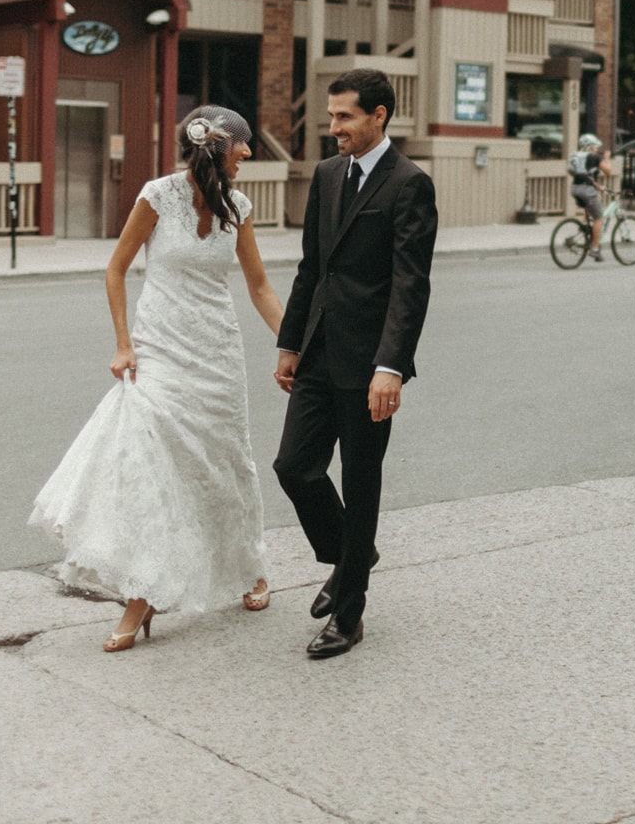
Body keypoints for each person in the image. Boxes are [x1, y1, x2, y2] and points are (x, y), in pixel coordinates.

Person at [31, 106, 284, 653]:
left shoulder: (237, 207)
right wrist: (123, 343)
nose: (248, 153)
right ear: (217, 146)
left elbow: (259, 286)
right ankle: (141, 595)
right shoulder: (157, 195)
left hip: (217, 353)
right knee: (155, 466)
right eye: (242, 144)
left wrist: (296, 345)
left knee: (225, 463)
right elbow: (116, 267)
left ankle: (250, 567)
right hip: (160, 350)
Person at [273, 69, 438, 659]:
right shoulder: (326, 174)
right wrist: (290, 342)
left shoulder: (410, 184)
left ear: (379, 116)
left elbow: (409, 285)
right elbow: (312, 267)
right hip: (318, 353)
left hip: (370, 364)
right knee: (294, 467)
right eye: (332, 115)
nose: (332, 126)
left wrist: (391, 366)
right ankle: (353, 556)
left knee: (360, 484)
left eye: (344, 116)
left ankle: (349, 615)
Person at [568, 132, 612, 262]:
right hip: (587, 190)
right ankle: (595, 249)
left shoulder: (576, 156)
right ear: (590, 147)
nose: (597, 149)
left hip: (575, 188)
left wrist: (597, 186)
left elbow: (583, 175)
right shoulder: (594, 157)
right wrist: (607, 158)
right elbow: (608, 171)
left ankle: (584, 229)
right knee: (599, 217)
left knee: (588, 207)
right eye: (595, 147)